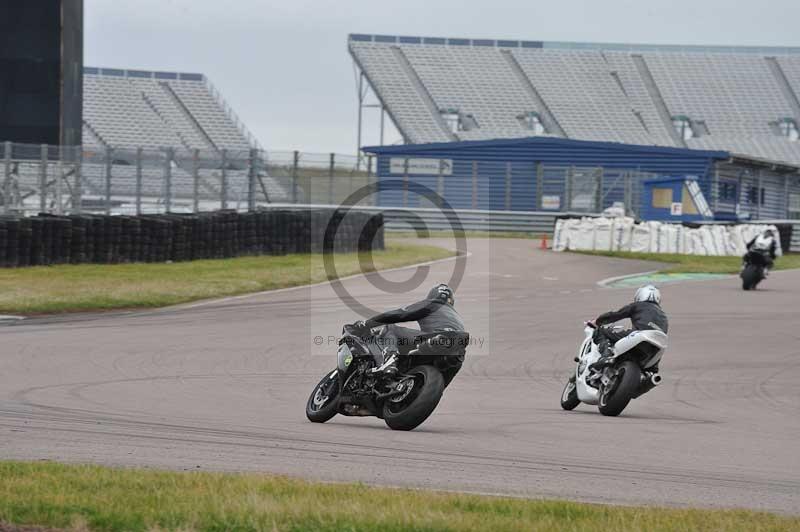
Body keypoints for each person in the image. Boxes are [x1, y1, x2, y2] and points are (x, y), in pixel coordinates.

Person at [354, 283, 465, 375]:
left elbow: (400, 314)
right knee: (454, 361)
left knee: (390, 328)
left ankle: (390, 360)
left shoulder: (432, 303)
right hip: (457, 347)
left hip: (435, 338)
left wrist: (367, 324)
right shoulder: (457, 316)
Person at [589, 285, 669, 371]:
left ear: (639, 295)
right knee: (651, 369)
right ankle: (650, 372)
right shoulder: (664, 315)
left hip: (641, 334)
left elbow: (616, 314)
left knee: (600, 331)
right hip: (657, 345)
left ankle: (606, 356)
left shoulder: (638, 305)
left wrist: (597, 321)